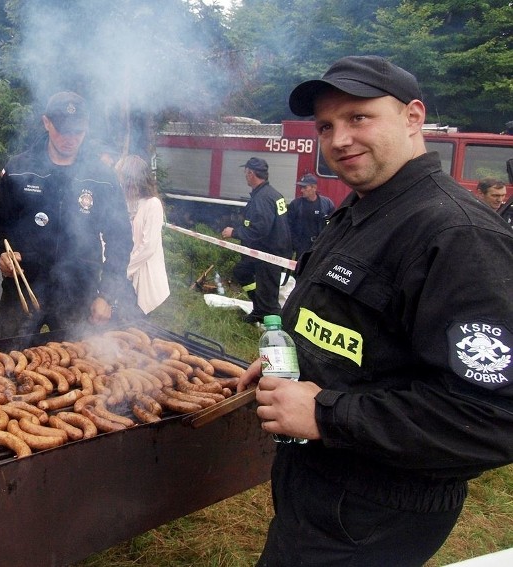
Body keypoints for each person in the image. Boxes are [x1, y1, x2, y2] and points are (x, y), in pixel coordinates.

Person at [236, 55, 513, 566]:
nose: (339, 139)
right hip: (322, 483)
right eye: (325, 126)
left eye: (358, 117)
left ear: (413, 118)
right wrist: (295, 362)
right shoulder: (364, 205)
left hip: (376, 511)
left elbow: (491, 417)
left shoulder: (457, 235)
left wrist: (324, 413)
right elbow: (357, 325)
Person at [0, 91, 133, 340]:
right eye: (62, 130)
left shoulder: (101, 177)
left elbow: (120, 238)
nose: (70, 138)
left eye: (78, 131)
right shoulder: (19, 169)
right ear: (46, 122)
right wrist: (0, 251)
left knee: (79, 364)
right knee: (5, 359)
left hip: (78, 290)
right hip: (23, 286)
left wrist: (107, 295)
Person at [220, 157, 291, 324]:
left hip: (268, 254)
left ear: (251, 174)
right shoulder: (271, 194)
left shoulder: (263, 198)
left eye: (246, 173)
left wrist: (234, 232)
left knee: (269, 298)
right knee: (242, 272)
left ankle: (275, 331)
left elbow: (260, 229)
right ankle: (259, 309)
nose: (245, 176)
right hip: (263, 252)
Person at [117, 154, 169, 315]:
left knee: (136, 323)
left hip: (142, 273)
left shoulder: (152, 204)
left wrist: (122, 269)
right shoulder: (123, 202)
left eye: (122, 177)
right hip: (123, 273)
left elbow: (148, 246)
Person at [286, 173, 335, 259]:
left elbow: (333, 225)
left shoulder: (327, 204)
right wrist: (295, 244)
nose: (301, 190)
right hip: (302, 246)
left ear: (314, 188)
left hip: (319, 246)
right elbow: (288, 226)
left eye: (305, 187)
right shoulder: (295, 204)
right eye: (301, 187)